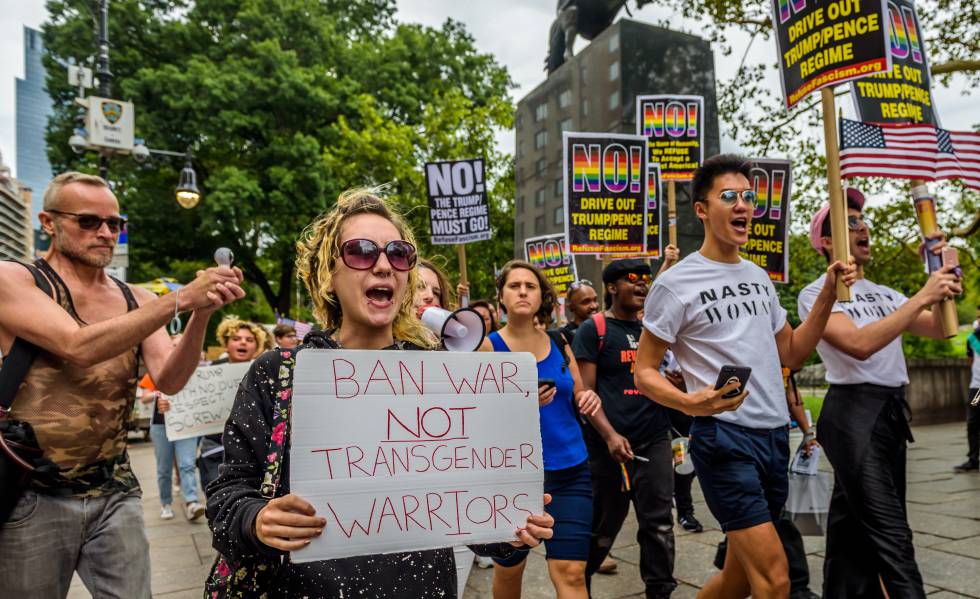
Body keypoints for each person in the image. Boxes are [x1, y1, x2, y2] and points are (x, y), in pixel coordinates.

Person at [205, 189, 554, 597]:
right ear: (327, 275)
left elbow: (474, 523)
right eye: (361, 252)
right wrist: (257, 520)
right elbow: (227, 497)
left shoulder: (443, 374)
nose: (384, 265)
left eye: (399, 253)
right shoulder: (279, 372)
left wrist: (511, 527)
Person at [0, 171, 244, 598]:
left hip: (114, 488)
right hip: (31, 492)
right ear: (48, 222)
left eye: (116, 223)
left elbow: (170, 378)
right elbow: (76, 345)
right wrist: (181, 298)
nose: (106, 233)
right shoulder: (17, 280)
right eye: (89, 221)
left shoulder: (138, 299)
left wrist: (201, 315)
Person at [634, 154, 854, 599]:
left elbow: (791, 350)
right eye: (729, 196)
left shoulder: (758, 276)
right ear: (702, 209)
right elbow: (643, 371)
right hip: (724, 439)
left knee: (736, 576)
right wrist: (691, 404)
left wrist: (827, 296)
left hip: (775, 437)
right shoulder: (675, 284)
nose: (742, 206)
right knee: (775, 579)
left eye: (748, 197)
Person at [799, 188, 960, 598]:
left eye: (862, 220)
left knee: (851, 527)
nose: (863, 226)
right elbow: (859, 344)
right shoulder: (817, 293)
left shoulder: (887, 294)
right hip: (852, 416)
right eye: (850, 222)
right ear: (828, 240)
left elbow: (941, 330)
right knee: (891, 531)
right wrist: (925, 293)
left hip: (890, 414)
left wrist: (943, 283)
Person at [481, 259, 621, 599]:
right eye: (514, 286)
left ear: (541, 295)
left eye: (530, 286)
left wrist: (588, 399)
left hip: (570, 471)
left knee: (572, 574)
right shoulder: (487, 346)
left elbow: (578, 392)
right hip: (512, 475)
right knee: (510, 569)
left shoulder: (560, 342)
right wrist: (521, 403)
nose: (523, 292)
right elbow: (476, 416)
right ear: (501, 296)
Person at [573, 258, 677, 598]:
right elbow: (586, 395)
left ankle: (660, 592)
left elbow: (664, 379)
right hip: (608, 450)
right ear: (612, 287)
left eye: (646, 279)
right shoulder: (596, 329)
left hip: (654, 440)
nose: (642, 284)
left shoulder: (654, 330)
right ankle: (578, 586)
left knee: (659, 525)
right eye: (633, 278)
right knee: (602, 529)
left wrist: (676, 382)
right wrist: (610, 435)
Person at [140, 335, 206, 521]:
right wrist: (158, 396)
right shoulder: (156, 370)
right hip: (161, 426)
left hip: (187, 425)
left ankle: (192, 502)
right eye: (175, 346)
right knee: (164, 468)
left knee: (187, 464)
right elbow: (145, 396)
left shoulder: (197, 372)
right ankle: (166, 503)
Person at [198, 317, 266, 493]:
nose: (243, 342)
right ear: (226, 344)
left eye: (249, 340)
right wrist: (168, 406)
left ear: (257, 346)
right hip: (214, 447)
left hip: (253, 449)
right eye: (236, 339)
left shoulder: (264, 372)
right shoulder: (208, 372)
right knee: (217, 501)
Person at [955, 308, 980, 472]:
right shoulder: (972, 338)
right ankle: (973, 459)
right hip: (977, 389)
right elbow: (971, 360)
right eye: (978, 316)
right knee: (973, 422)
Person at [560, 280, 599, 345]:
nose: (594, 306)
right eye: (586, 302)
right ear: (571, 307)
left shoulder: (604, 329)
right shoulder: (564, 335)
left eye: (595, 300)